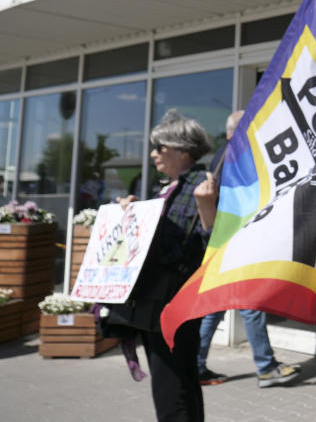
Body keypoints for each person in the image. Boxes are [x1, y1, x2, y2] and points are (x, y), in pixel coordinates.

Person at [110, 109, 217, 421]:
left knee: (172, 389)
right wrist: (129, 216)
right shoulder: (167, 187)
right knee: (177, 383)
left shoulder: (203, 184)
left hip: (176, 300)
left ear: (183, 150)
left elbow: (213, 246)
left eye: (160, 148)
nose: (154, 154)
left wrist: (207, 206)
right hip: (157, 299)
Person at [195, 110, 301, 388]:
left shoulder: (225, 154)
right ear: (234, 132)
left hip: (224, 240)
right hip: (235, 240)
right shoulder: (234, 156)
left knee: (216, 307)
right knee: (250, 303)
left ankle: (195, 365)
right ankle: (266, 368)